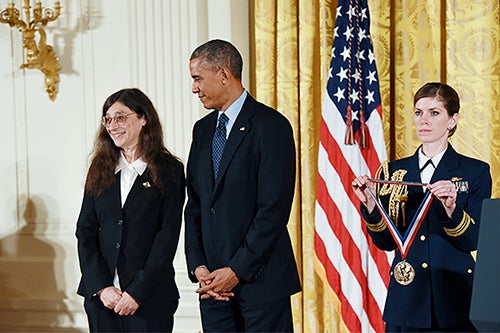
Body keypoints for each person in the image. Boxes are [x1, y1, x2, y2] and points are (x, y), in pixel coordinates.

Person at [352, 82, 492, 332]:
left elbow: (474, 240)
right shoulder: (393, 172)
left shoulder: (475, 171)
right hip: (406, 299)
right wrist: (371, 206)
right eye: (418, 112)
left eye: (434, 112)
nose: (423, 120)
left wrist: (451, 210)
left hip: (454, 300)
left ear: (452, 120)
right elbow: (385, 241)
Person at [184, 39, 301, 332]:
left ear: (224, 74)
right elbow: (195, 204)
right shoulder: (203, 130)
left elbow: (272, 211)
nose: (194, 89)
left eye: (198, 78)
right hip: (212, 288)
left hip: (260, 284)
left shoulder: (271, 126)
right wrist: (199, 267)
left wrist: (236, 271)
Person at [76, 88, 185, 332]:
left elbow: (166, 237)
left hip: (149, 299)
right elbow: (85, 231)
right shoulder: (100, 167)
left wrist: (136, 292)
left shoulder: (169, 169)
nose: (112, 125)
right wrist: (102, 287)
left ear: (143, 118)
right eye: (108, 119)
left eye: (121, 117)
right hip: (103, 300)